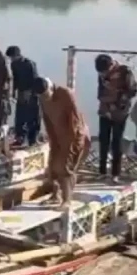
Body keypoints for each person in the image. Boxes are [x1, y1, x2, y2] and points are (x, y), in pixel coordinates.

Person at [34, 77, 90, 208]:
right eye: (41, 96)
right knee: (52, 167)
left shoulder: (65, 94)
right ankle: (55, 196)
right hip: (56, 136)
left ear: (51, 88)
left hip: (73, 136)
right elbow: (47, 119)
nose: (45, 98)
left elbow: (75, 121)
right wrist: (52, 139)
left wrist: (73, 143)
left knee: (65, 168)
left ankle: (67, 200)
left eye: (46, 95)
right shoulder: (42, 99)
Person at [95, 54, 137, 182]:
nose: (103, 73)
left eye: (105, 71)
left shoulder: (125, 72)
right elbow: (100, 92)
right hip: (104, 111)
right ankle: (102, 172)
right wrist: (106, 105)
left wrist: (119, 102)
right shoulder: (102, 74)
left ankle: (115, 174)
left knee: (116, 143)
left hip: (119, 112)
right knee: (103, 141)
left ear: (111, 65)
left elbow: (133, 90)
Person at [6, 46, 41, 146]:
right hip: (21, 94)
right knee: (20, 118)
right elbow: (15, 80)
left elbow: (36, 81)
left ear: (17, 55)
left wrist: (30, 94)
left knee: (32, 118)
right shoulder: (14, 64)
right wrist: (12, 93)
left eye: (12, 57)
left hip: (32, 95)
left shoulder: (30, 64)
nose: (11, 60)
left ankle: (33, 140)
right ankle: (19, 138)